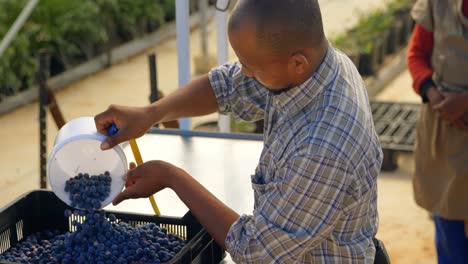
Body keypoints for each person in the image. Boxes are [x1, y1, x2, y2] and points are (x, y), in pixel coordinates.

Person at [95, 0, 383, 262]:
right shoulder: (313, 67)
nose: (244, 72)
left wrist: (172, 177)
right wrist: (150, 114)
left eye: (251, 66)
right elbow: (226, 87)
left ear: (297, 63)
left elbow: (256, 251)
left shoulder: (324, 147)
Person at [408, 0, 468, 263]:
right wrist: (434, 95)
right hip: (443, 133)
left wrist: (464, 102)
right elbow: (417, 55)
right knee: (449, 228)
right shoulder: (438, 3)